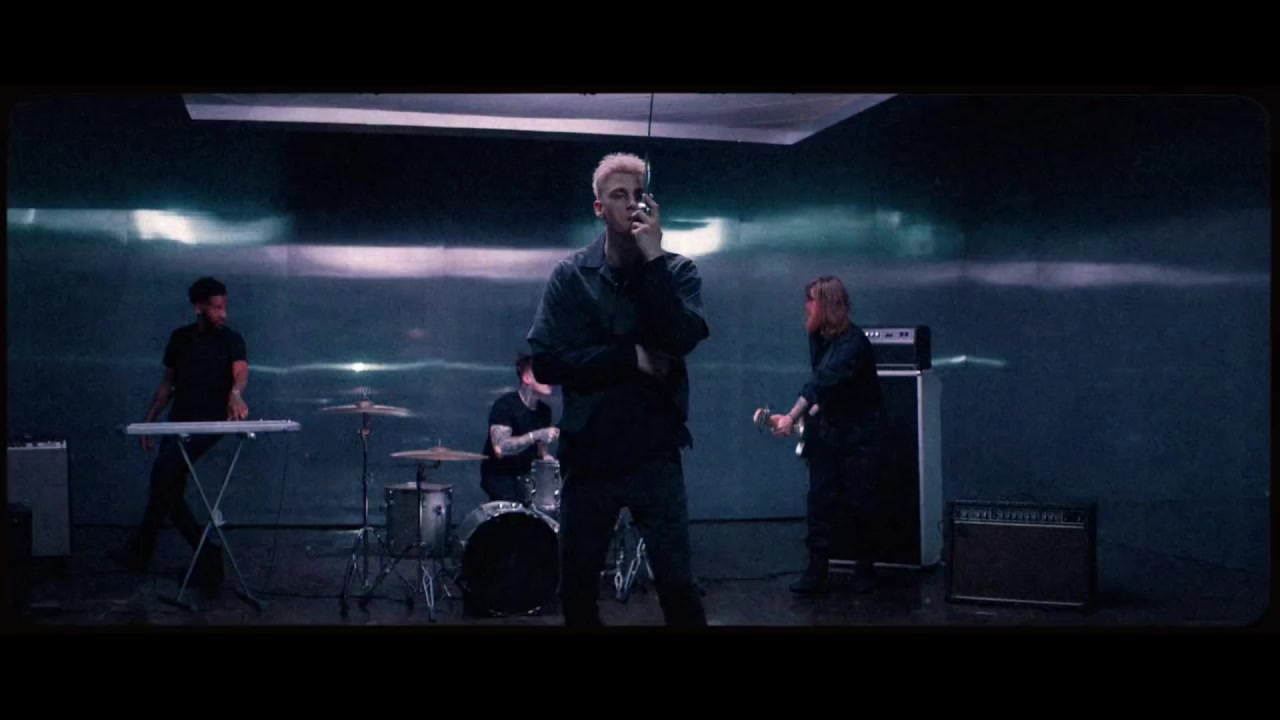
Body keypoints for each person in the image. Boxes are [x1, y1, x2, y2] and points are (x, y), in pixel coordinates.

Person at [527, 152, 710, 627]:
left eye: (638, 194)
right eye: (618, 195)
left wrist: (653, 260)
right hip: (589, 455)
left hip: (654, 451)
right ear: (598, 208)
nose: (630, 204)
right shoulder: (570, 276)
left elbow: (680, 338)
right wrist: (629, 358)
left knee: (678, 586)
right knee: (578, 590)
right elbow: (545, 361)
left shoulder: (677, 271)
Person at [109, 277, 249, 596]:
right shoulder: (180, 339)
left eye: (224, 307)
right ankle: (152, 552)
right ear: (198, 307)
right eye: (216, 308)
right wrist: (149, 422)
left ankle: (202, 555)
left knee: (164, 482)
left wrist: (235, 394)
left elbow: (240, 372)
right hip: (177, 423)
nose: (223, 314)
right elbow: (167, 386)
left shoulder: (231, 339)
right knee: (165, 487)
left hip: (207, 424)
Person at [769, 275, 887, 595]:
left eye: (811, 300)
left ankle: (864, 570)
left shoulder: (853, 343)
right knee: (820, 502)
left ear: (826, 304)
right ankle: (817, 570)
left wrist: (791, 416)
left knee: (860, 503)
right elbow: (823, 386)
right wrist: (806, 416)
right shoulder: (820, 337)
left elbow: (822, 381)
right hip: (830, 433)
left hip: (859, 437)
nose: (806, 307)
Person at [479, 353, 559, 503]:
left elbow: (540, 451)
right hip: (501, 479)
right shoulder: (505, 405)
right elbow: (500, 448)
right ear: (527, 378)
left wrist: (548, 460)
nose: (549, 379)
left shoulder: (544, 411)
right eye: (542, 374)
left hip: (527, 481)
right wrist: (535, 435)